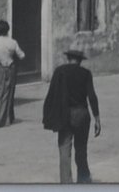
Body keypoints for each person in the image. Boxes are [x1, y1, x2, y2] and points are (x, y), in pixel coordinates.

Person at [43, 47, 101, 183]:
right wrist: (97, 118)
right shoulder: (85, 73)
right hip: (81, 114)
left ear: (68, 58)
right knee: (81, 149)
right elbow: (92, 96)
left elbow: (51, 95)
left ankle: (66, 183)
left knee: (64, 150)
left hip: (64, 114)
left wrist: (49, 116)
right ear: (80, 60)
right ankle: (84, 179)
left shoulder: (59, 72)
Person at [0, 19, 25, 127]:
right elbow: (22, 55)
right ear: (7, 30)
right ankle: (6, 118)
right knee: (8, 93)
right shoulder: (13, 42)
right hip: (10, 68)